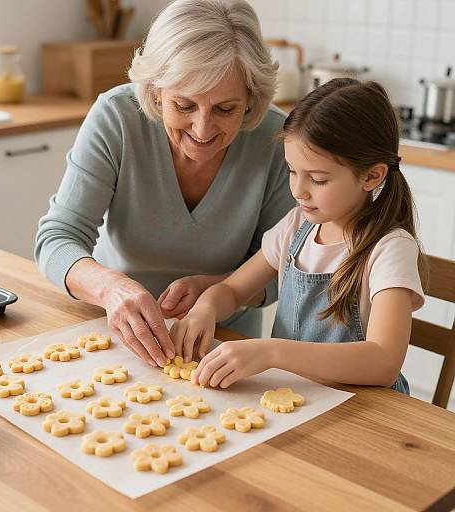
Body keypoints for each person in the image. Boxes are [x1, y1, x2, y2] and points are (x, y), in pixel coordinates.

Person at [34, 0, 295, 368]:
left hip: (224, 347)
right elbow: (57, 239)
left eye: (225, 109)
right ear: (156, 91)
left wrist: (220, 291)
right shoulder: (117, 118)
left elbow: (289, 268)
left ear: (251, 98)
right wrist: (112, 289)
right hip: (114, 335)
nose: (202, 130)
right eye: (184, 105)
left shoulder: (277, 140)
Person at [170, 78, 426, 394]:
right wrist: (205, 308)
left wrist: (271, 352)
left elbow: (383, 362)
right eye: (292, 171)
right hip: (297, 399)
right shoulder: (296, 228)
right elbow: (233, 291)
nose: (297, 190)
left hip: (364, 415)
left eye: (317, 179)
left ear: (371, 176)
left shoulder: (389, 249)